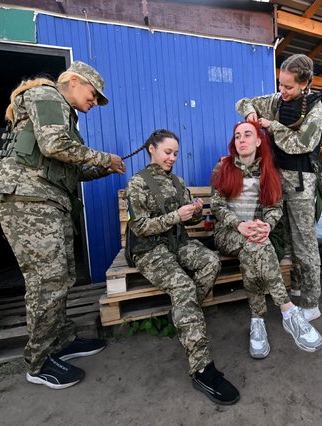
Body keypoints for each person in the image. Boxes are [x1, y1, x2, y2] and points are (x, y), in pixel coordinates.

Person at [0, 61, 126, 389]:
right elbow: (55, 146)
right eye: (94, 95)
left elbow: (68, 167)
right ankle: (38, 362)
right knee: (46, 281)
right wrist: (102, 158)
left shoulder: (63, 112)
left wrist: (104, 169)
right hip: (28, 200)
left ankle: (61, 343)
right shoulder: (49, 96)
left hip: (49, 201)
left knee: (61, 276)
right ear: (75, 82)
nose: (95, 102)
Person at [125, 129, 239, 405]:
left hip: (177, 243)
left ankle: (184, 316)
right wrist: (175, 216)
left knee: (211, 262)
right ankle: (201, 367)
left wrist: (194, 212)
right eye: (168, 152)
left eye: (175, 153)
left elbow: (186, 223)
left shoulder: (177, 182)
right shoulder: (137, 183)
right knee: (183, 285)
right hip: (149, 249)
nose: (172, 158)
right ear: (152, 149)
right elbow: (139, 228)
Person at [211, 121, 322, 359]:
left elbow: (275, 207)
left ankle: (257, 321)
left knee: (253, 249)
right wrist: (239, 224)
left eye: (247, 135)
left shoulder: (268, 170)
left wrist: (266, 225)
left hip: (256, 234)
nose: (242, 139)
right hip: (228, 233)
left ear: (259, 141)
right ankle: (288, 311)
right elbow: (218, 206)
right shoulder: (222, 167)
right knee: (256, 246)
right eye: (238, 136)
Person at [235, 53, 322, 322]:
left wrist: (271, 126)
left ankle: (311, 301)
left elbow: (301, 145)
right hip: (276, 177)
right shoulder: (276, 100)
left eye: (288, 87)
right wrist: (251, 112)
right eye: (280, 84)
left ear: (305, 84)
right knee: (285, 236)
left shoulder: (316, 110)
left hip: (300, 181)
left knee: (304, 240)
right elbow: (243, 102)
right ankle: (295, 284)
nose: (282, 91)